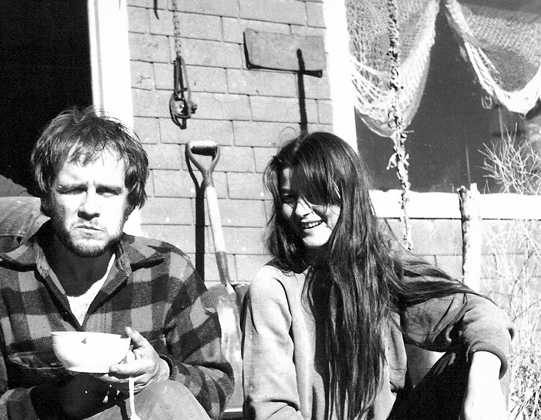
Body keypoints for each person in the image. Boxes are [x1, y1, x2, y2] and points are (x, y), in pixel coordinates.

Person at [242, 132, 514, 420]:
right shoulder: (273, 286)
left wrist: (483, 380)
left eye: (315, 194)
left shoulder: (380, 266)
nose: (300, 210)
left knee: (480, 355)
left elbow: (482, 314)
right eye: (289, 198)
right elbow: (270, 410)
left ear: (347, 193)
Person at [0, 107, 234, 420]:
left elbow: (218, 386)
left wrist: (161, 372)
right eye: (73, 189)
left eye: (108, 192)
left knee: (164, 396)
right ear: (46, 197)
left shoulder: (167, 271)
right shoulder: (7, 281)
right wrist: (57, 402)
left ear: (131, 202)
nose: (90, 208)